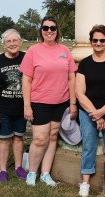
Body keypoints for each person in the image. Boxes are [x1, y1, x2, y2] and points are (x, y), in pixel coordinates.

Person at [19, 16, 77, 187]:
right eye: (46, 28)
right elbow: (26, 80)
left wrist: (73, 102)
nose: (49, 31)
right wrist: (27, 106)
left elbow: (71, 77)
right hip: (39, 102)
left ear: (57, 30)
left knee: (52, 137)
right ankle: (32, 172)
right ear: (41, 31)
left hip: (61, 101)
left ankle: (45, 174)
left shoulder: (65, 51)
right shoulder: (33, 51)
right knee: (39, 139)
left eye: (53, 28)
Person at [76, 25, 105, 197]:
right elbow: (80, 93)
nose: (98, 43)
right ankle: (85, 182)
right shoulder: (85, 64)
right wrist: (95, 114)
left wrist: (102, 112)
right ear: (91, 42)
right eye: (95, 40)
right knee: (88, 146)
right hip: (88, 112)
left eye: (102, 40)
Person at [0, 29, 27, 184]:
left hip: (22, 109)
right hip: (3, 109)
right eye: (8, 41)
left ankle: (18, 167)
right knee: (4, 140)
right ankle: (3, 170)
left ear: (20, 42)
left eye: (15, 41)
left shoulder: (26, 58)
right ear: (4, 45)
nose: (12, 44)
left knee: (19, 138)